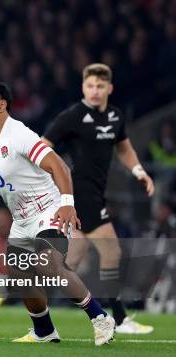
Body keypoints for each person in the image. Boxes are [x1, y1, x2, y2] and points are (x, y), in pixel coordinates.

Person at [0, 80, 116, 346]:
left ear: (1, 106)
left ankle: (100, 317)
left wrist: (67, 203)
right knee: (18, 272)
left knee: (48, 262)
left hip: (49, 208)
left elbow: (59, 166)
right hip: (22, 218)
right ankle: (44, 331)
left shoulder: (19, 135)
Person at [43, 63, 155, 334]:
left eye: (100, 86)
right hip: (80, 192)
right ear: (83, 87)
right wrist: (53, 178)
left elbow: (124, 148)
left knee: (72, 260)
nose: (94, 91)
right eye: (90, 86)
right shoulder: (72, 117)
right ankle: (118, 317)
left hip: (96, 192)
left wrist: (139, 171)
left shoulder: (116, 116)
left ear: (109, 88)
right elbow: (42, 146)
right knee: (111, 250)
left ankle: (21, 286)